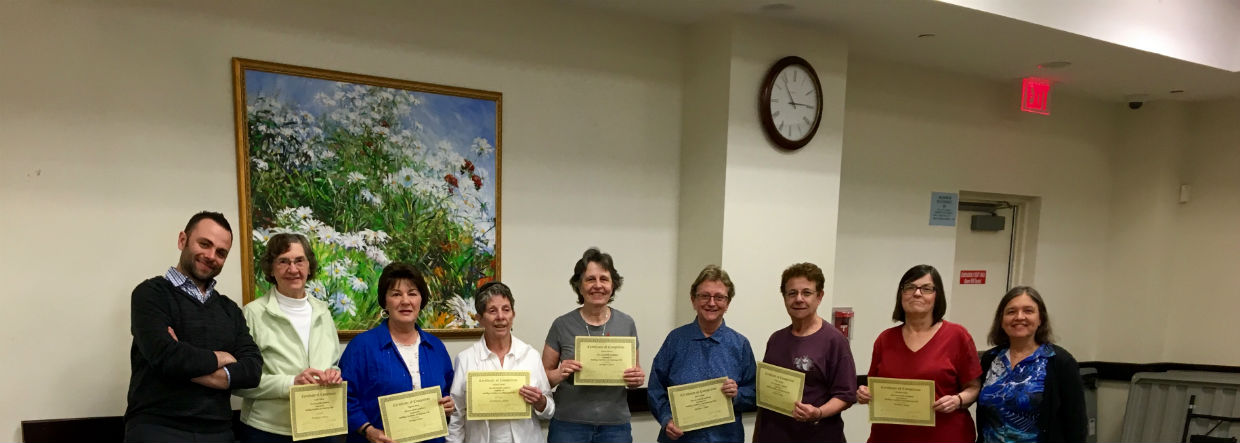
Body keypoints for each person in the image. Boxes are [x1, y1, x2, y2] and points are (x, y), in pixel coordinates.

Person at [124, 211, 263, 443]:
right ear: (182, 240)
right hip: (158, 428)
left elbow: (253, 370)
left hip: (219, 431)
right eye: (204, 244)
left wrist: (182, 362)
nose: (211, 256)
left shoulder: (229, 309)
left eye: (221, 252)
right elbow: (165, 355)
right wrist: (222, 357)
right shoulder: (150, 294)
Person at [235, 233, 344, 442]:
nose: (293, 269)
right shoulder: (253, 314)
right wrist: (291, 382)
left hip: (321, 427)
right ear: (271, 269)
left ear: (309, 266)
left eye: (299, 261)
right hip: (269, 432)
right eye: (283, 261)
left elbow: (332, 363)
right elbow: (240, 382)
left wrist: (333, 374)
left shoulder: (323, 311)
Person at [857, 264, 982, 443]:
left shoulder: (957, 336)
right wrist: (864, 393)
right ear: (901, 295)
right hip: (889, 436)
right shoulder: (885, 339)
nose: (917, 293)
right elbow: (874, 387)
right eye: (909, 288)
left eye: (926, 288)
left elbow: (974, 388)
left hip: (945, 436)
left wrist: (957, 400)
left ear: (936, 296)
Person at [339, 263, 455, 443]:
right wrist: (367, 430)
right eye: (396, 294)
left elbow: (448, 391)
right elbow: (343, 397)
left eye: (412, 293)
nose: (405, 301)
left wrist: (448, 405)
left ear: (421, 300)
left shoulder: (436, 348)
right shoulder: (362, 347)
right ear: (385, 301)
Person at [542, 247, 645, 443]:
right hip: (568, 425)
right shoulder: (562, 324)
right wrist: (560, 372)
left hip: (615, 427)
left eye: (604, 279)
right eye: (590, 279)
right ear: (579, 286)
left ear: (613, 285)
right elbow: (543, 377)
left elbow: (634, 374)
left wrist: (636, 378)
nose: (597, 285)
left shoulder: (627, 323)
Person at [647, 265, 756, 442]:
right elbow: (656, 388)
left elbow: (754, 391)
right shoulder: (675, 340)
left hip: (726, 438)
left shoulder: (740, 344)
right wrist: (666, 420)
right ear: (693, 300)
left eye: (719, 297)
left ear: (727, 303)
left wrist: (738, 394)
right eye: (704, 296)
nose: (711, 303)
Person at [754, 263, 857, 443]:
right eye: (792, 293)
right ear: (784, 297)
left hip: (817, 436)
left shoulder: (834, 341)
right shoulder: (776, 339)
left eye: (806, 293)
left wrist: (818, 412)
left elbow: (845, 396)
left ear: (819, 296)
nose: (799, 299)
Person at [976, 287, 1087, 443]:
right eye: (1011, 312)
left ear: (1040, 318)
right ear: (1001, 320)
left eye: (1028, 311)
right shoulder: (990, 359)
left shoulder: (1060, 362)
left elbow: (1076, 425)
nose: (1019, 317)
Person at [447, 282, 554, 443]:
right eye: (492, 311)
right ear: (479, 319)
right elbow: (457, 415)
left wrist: (540, 402)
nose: (501, 317)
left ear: (513, 314)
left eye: (506, 309)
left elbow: (549, 410)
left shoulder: (530, 355)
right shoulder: (466, 359)